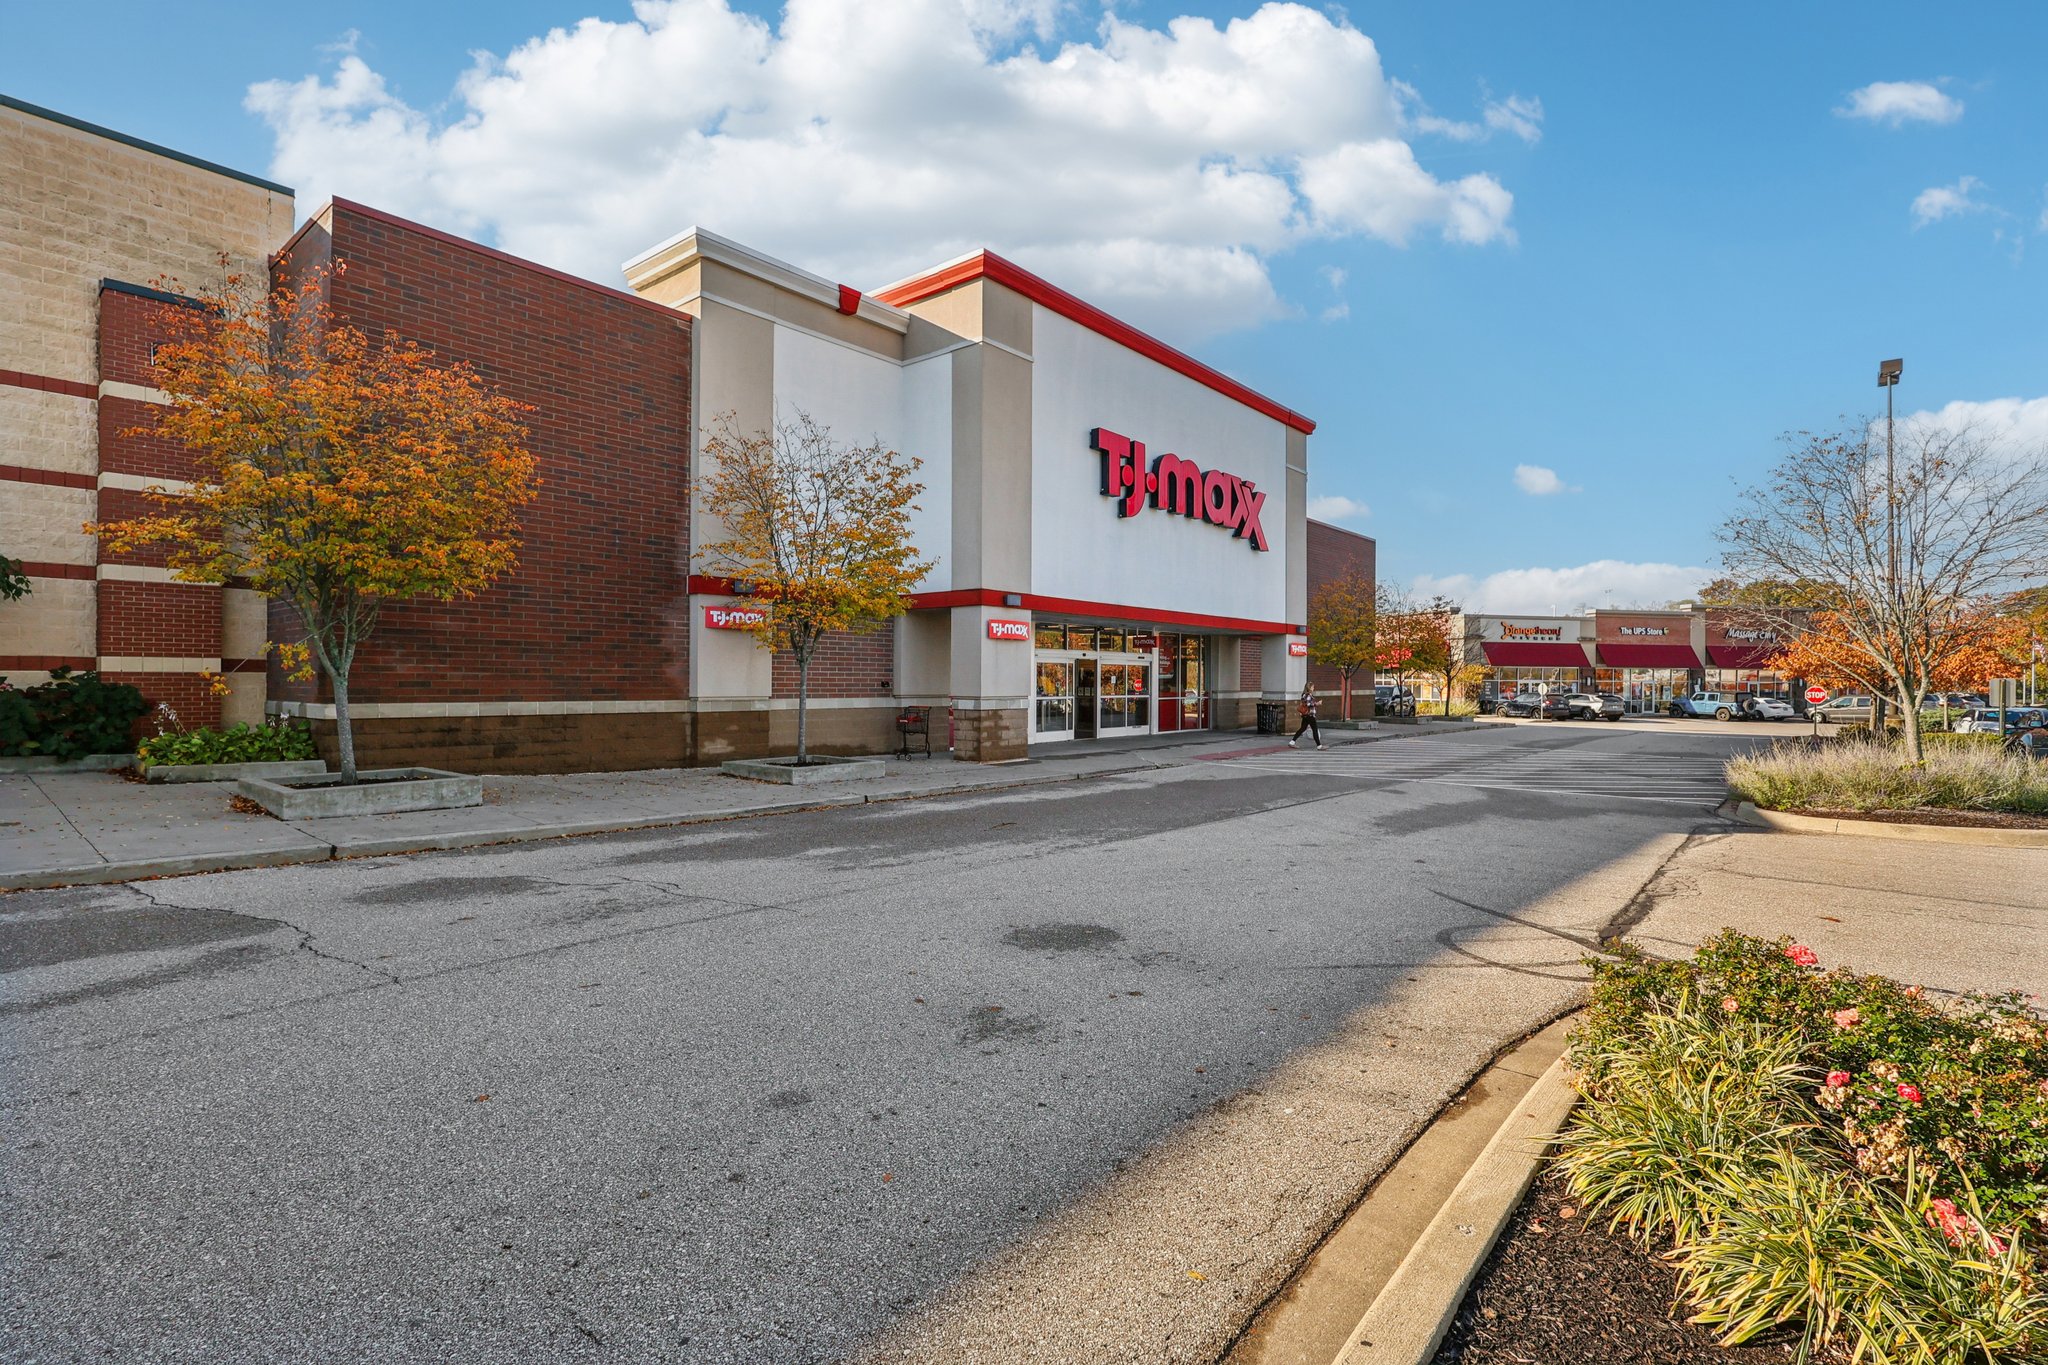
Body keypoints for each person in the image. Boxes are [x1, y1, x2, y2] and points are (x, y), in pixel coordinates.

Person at [1289, 684, 1326, 749]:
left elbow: (1305, 703)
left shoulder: (1304, 695)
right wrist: (1317, 704)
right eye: (1312, 687)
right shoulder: (1308, 695)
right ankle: (1319, 745)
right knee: (1314, 729)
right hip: (1310, 715)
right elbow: (1308, 704)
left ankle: (1292, 742)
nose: (1314, 688)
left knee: (1302, 728)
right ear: (1309, 688)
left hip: (1305, 715)